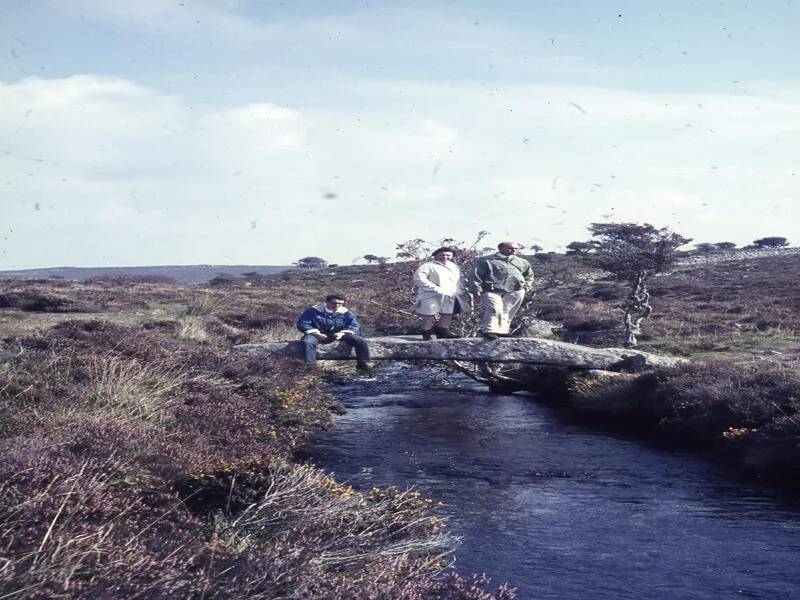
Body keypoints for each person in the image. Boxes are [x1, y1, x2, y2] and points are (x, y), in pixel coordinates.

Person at [473, 242, 534, 339]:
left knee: (507, 311)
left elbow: (529, 275)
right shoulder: (486, 260)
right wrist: (476, 288)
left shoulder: (522, 262)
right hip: (492, 289)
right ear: (500, 248)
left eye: (516, 248)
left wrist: (526, 287)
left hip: (515, 290)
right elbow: (476, 275)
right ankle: (489, 330)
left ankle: (502, 331)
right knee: (494, 309)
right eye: (510, 248)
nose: (514, 250)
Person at [296, 294, 373, 371]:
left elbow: (353, 325)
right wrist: (316, 333)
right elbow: (303, 323)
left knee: (360, 340)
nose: (337, 305)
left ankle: (364, 363)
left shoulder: (347, 312)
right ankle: (311, 365)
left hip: (340, 334)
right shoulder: (312, 311)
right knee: (307, 341)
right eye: (334, 303)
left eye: (340, 303)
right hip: (316, 334)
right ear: (326, 302)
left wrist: (342, 333)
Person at [412, 246, 467, 340]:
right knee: (429, 313)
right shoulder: (427, 266)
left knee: (448, 312)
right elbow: (419, 279)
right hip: (430, 293)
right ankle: (426, 333)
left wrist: (460, 289)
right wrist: (435, 288)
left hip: (450, 293)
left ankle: (443, 331)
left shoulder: (454, 266)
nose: (445, 257)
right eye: (442, 255)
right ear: (436, 255)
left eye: (448, 255)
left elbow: (460, 279)